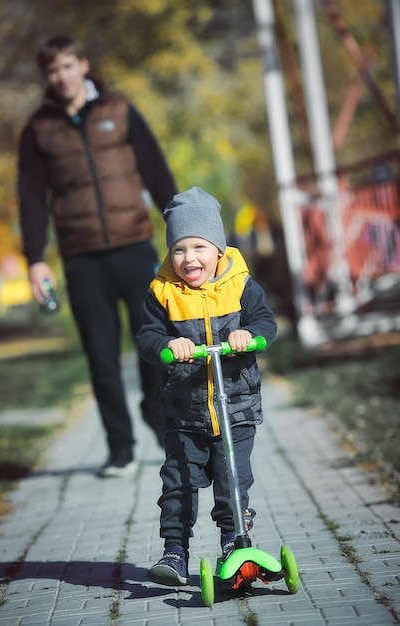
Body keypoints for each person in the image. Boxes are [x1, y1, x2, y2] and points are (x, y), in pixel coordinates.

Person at [17, 35, 178, 478]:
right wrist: (35, 257)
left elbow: (156, 170)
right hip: (81, 257)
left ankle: (155, 411)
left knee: (155, 344)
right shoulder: (38, 129)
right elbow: (30, 195)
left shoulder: (119, 110)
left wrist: (183, 231)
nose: (61, 76)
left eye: (68, 66)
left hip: (134, 248)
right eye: (52, 71)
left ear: (83, 65)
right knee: (101, 358)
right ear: (46, 77)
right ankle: (120, 450)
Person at [136, 186, 277, 586]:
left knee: (233, 479)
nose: (188, 258)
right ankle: (175, 551)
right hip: (184, 411)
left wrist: (249, 336)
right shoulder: (162, 293)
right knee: (178, 481)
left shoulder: (241, 285)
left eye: (198, 246)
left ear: (218, 248)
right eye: (178, 249)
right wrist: (167, 345)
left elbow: (266, 322)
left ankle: (235, 542)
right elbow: (146, 338)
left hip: (237, 407)